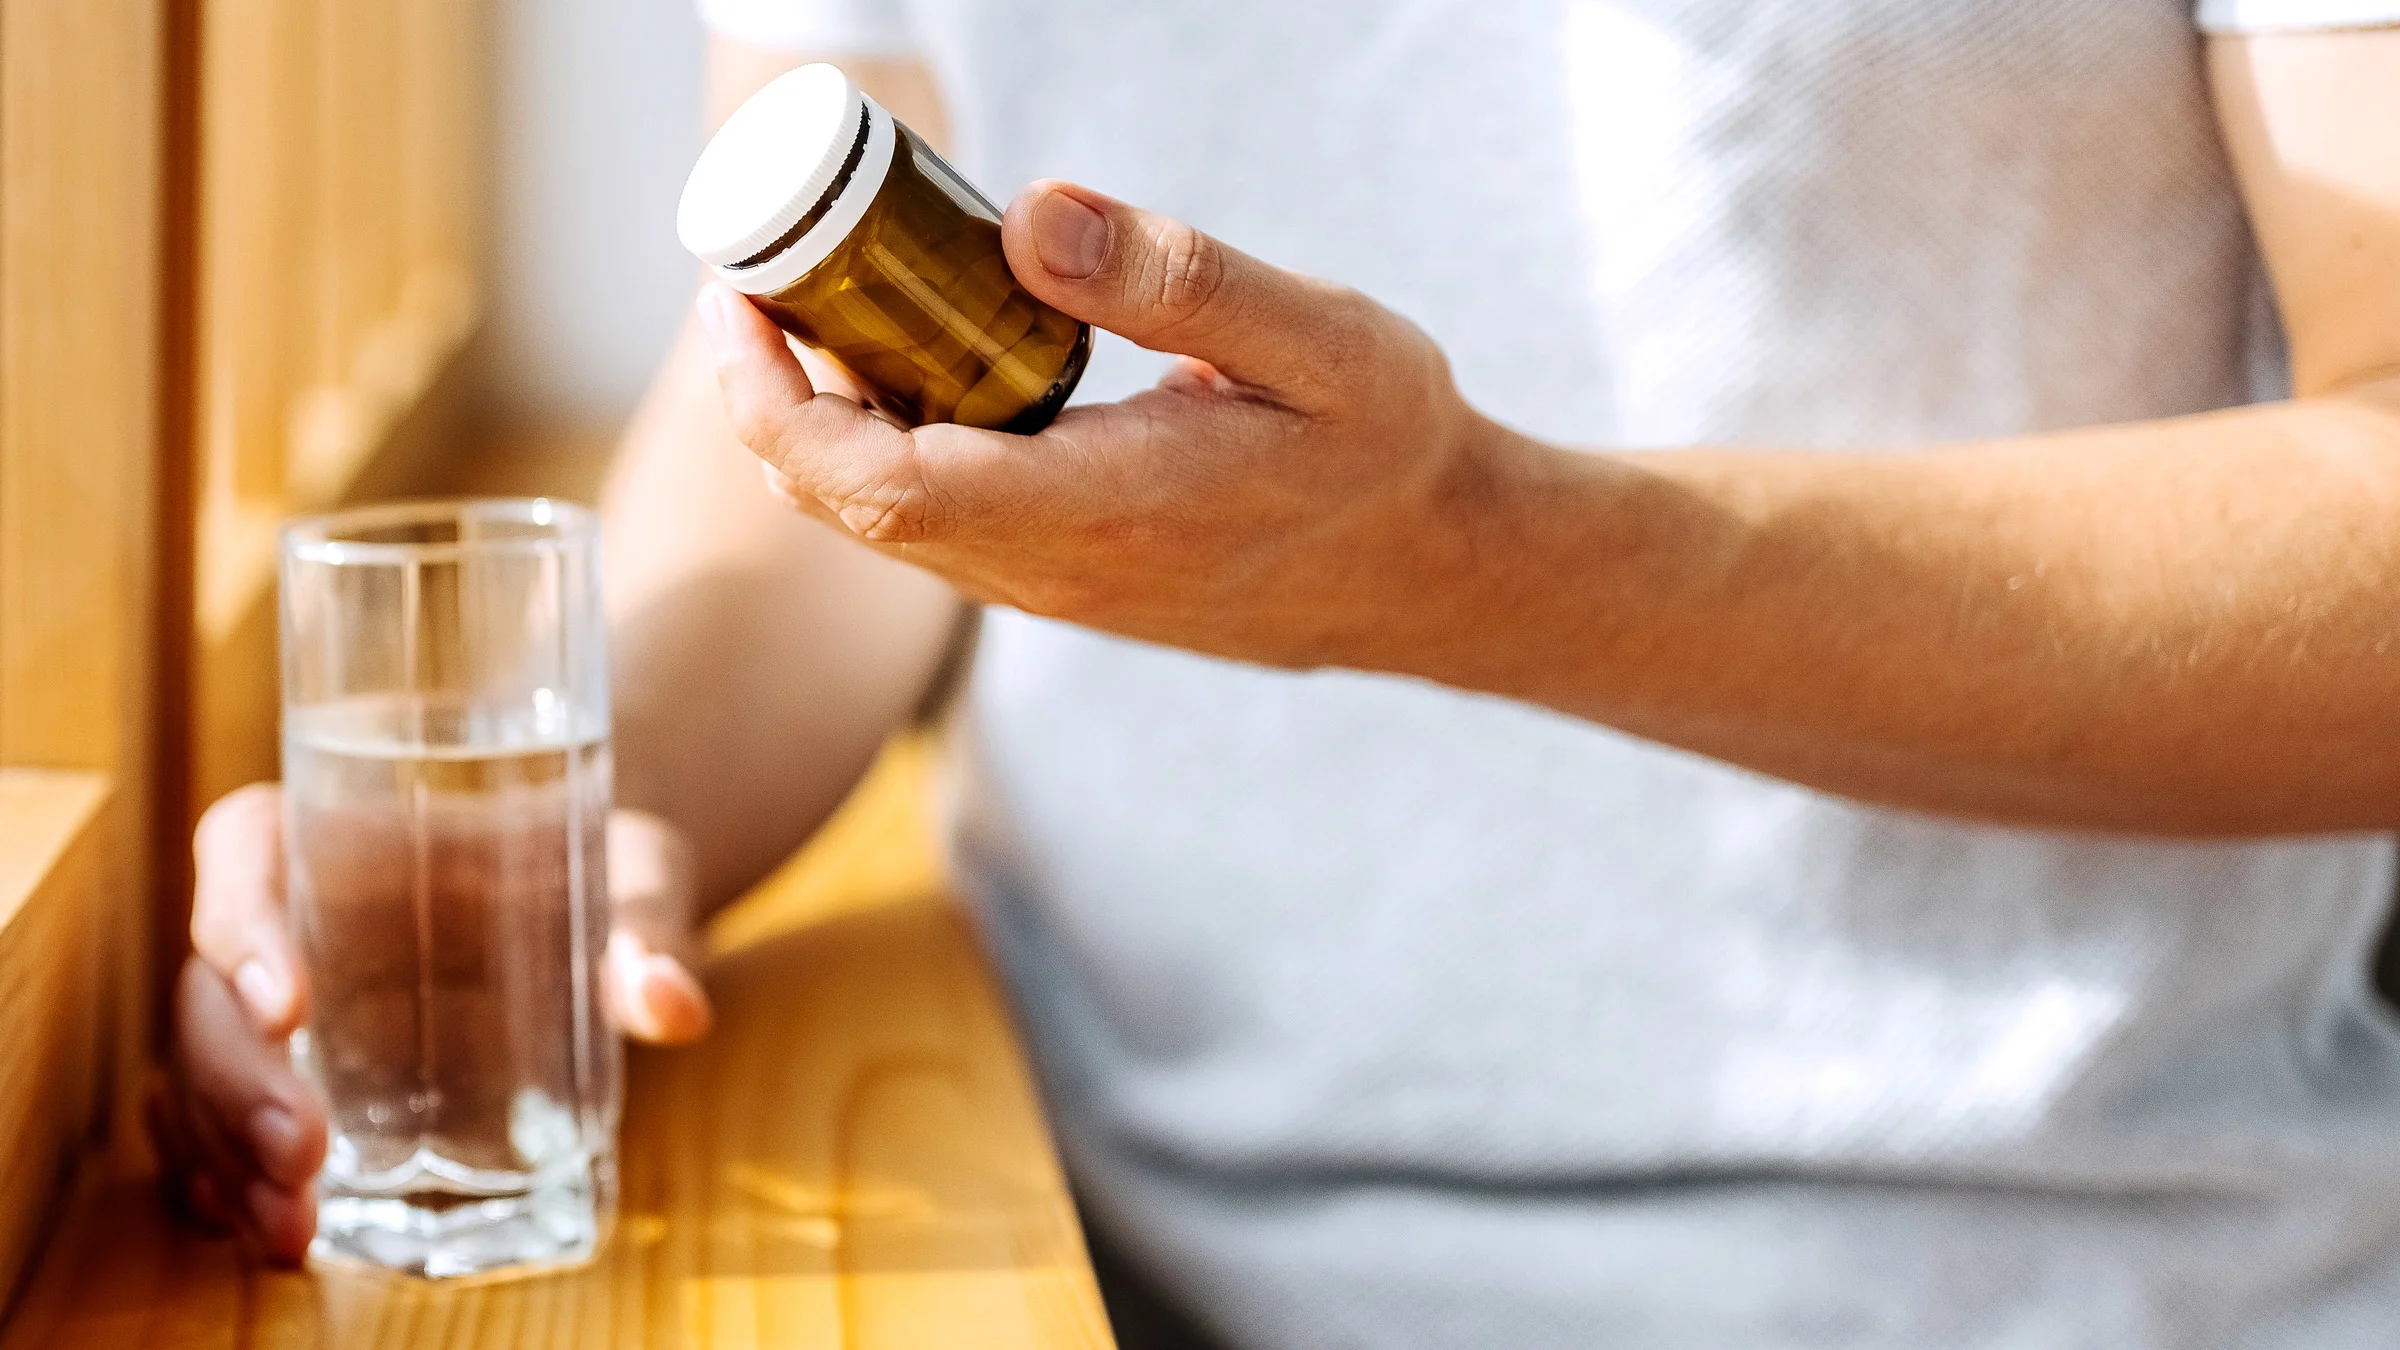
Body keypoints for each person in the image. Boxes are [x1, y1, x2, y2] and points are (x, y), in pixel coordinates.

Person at [157, 1, 2400, 1344]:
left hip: (2039, 1282)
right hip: (1061, 1248)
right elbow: (843, 421)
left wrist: (1480, 565)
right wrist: (544, 839)